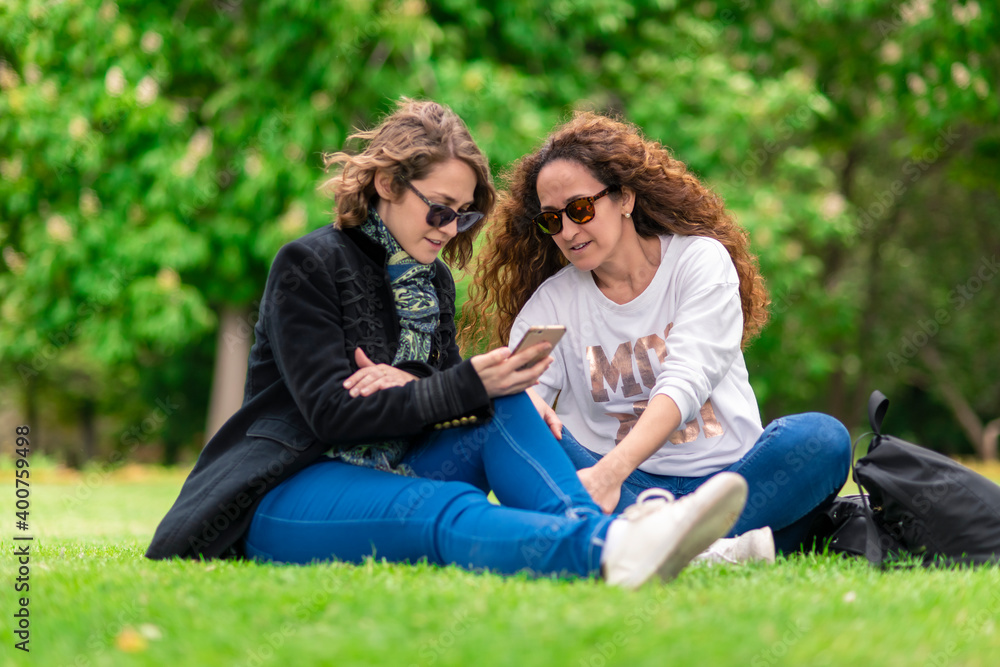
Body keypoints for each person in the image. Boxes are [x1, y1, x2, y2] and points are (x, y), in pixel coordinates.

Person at [145, 99, 750, 588]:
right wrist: (460, 385)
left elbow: (444, 404)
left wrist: (450, 387)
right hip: (295, 486)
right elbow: (331, 415)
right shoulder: (309, 265)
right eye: (439, 210)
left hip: (399, 466)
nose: (450, 229)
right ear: (387, 183)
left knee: (508, 403)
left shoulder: (432, 281)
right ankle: (616, 547)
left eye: (463, 215)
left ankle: (626, 539)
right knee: (445, 508)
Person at [462, 111, 852, 555]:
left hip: (725, 483)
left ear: (624, 198)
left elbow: (686, 379)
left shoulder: (698, 262)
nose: (567, 231)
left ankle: (649, 545)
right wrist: (527, 402)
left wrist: (610, 472)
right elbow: (518, 390)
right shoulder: (552, 305)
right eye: (552, 220)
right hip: (624, 491)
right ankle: (719, 550)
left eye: (580, 209)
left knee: (822, 438)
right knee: (507, 414)